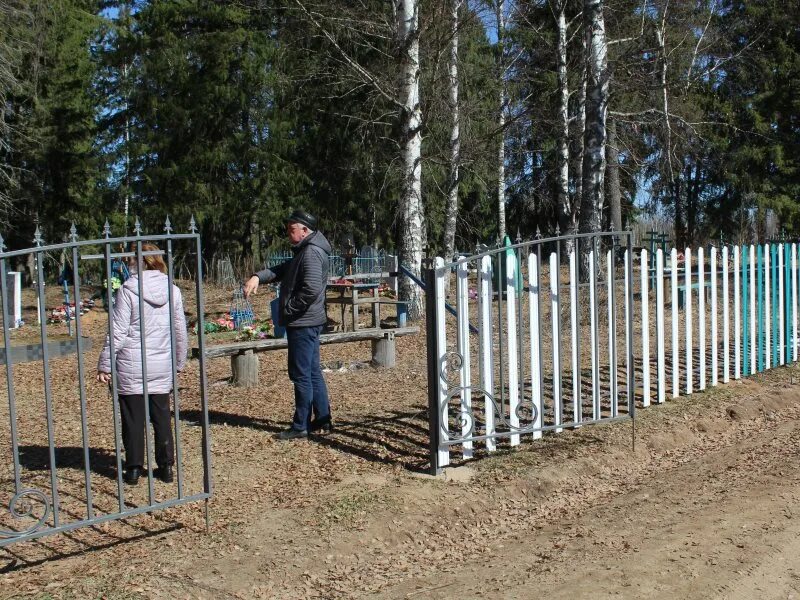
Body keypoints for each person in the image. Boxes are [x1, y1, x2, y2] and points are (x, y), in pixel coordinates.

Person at [97, 242, 187, 484]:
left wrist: (105, 364)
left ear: (140, 261)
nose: (128, 264)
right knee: (161, 418)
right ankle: (166, 467)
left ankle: (134, 468)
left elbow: (117, 331)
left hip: (131, 364)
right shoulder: (173, 290)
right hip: (161, 364)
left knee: (133, 419)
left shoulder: (128, 290)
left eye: (130, 260)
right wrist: (179, 361)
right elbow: (180, 330)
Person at [244, 208, 332, 440]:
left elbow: (311, 289)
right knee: (312, 372)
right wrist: (257, 277)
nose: (288, 233)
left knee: (301, 373)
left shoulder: (311, 252)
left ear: (305, 230)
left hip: (303, 322)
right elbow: (283, 269)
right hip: (308, 321)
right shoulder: (305, 250)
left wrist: (289, 309)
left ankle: (300, 425)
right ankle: (323, 420)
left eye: (291, 229)